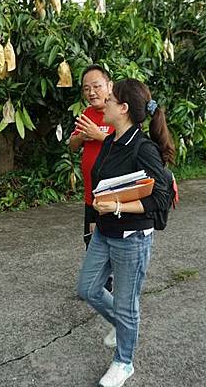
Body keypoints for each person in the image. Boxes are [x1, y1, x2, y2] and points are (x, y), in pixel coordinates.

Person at [77, 79, 175, 387]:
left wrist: (119, 206)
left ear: (123, 108)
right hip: (104, 232)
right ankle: (122, 326)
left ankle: (124, 362)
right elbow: (99, 189)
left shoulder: (143, 148)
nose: (102, 102)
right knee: (88, 289)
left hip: (132, 239)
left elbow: (161, 199)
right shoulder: (110, 141)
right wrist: (95, 218)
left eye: (110, 100)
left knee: (126, 303)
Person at [70, 64, 115, 291]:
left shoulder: (118, 111)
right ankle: (100, 283)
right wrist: (81, 137)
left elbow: (127, 144)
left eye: (96, 86)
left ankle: (109, 283)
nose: (91, 92)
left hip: (112, 195)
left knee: (112, 240)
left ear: (109, 86)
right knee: (92, 237)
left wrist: (98, 135)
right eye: (86, 88)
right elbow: (72, 143)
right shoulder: (87, 114)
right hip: (91, 195)